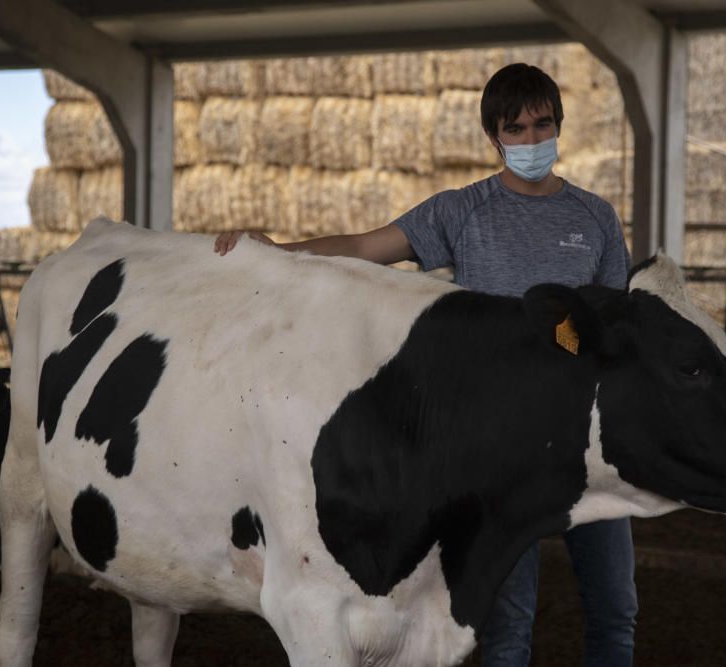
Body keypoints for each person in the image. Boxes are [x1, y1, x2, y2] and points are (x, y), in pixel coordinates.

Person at [214, 63, 637, 667]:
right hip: (498, 449)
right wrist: (278, 252)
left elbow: (614, 327)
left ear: (559, 126)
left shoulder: (595, 218)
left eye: (542, 125)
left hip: (587, 443)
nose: (531, 140)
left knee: (616, 608)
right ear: (494, 137)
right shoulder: (461, 212)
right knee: (508, 621)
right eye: (515, 129)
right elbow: (365, 248)